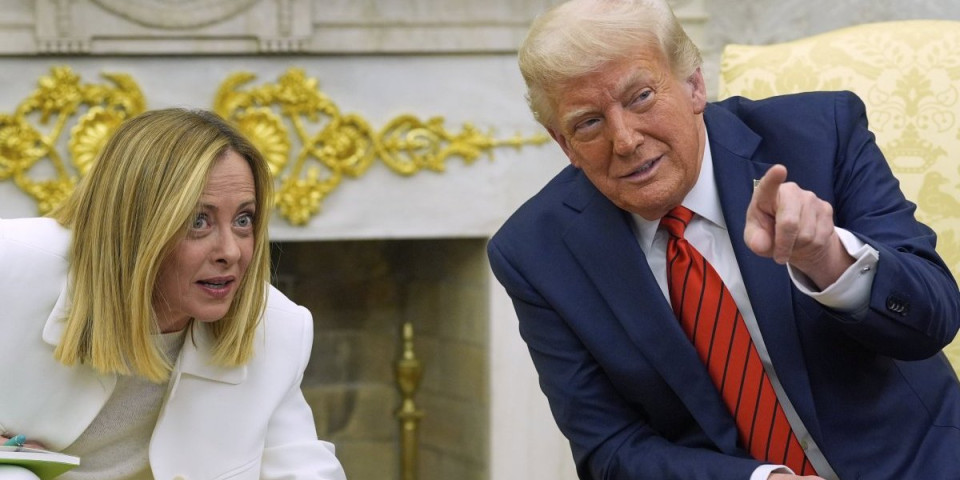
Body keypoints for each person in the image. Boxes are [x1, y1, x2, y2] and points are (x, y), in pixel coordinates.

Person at [487, 1, 960, 479]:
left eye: (641, 97)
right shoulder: (534, 252)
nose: (625, 140)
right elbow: (608, 450)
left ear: (694, 84)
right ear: (564, 143)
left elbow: (934, 319)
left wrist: (828, 259)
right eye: (589, 122)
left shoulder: (820, 135)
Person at [0, 108, 347, 480]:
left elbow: (303, 469)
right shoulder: (14, 265)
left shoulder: (276, 329)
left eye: (243, 220)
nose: (231, 252)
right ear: (133, 226)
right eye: (199, 221)